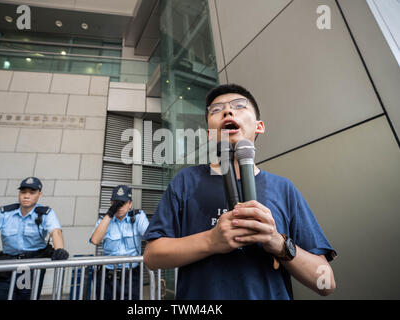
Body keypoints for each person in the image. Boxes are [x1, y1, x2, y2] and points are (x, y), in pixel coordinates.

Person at [143, 84, 337, 299]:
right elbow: (152, 257)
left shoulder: (284, 188)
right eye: (216, 109)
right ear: (209, 134)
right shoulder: (186, 181)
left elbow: (326, 283)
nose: (227, 111)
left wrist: (278, 243)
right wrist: (211, 241)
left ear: (259, 126)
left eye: (239, 106)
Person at [90, 185, 149, 300]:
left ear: (130, 204)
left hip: (131, 275)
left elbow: (149, 236)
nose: (120, 206)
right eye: (117, 202)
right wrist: (110, 213)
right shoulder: (104, 221)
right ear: (111, 203)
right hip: (107, 276)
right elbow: (95, 240)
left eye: (123, 202)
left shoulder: (138, 217)